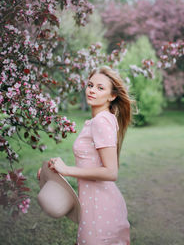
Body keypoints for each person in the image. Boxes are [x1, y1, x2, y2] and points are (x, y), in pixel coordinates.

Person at [39, 66, 134, 245]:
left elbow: (111, 172)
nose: (92, 90)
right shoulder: (100, 120)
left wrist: (67, 170)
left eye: (100, 88)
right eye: (90, 85)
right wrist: (55, 174)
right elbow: (90, 164)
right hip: (93, 205)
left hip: (101, 207)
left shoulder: (101, 121)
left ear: (112, 96)